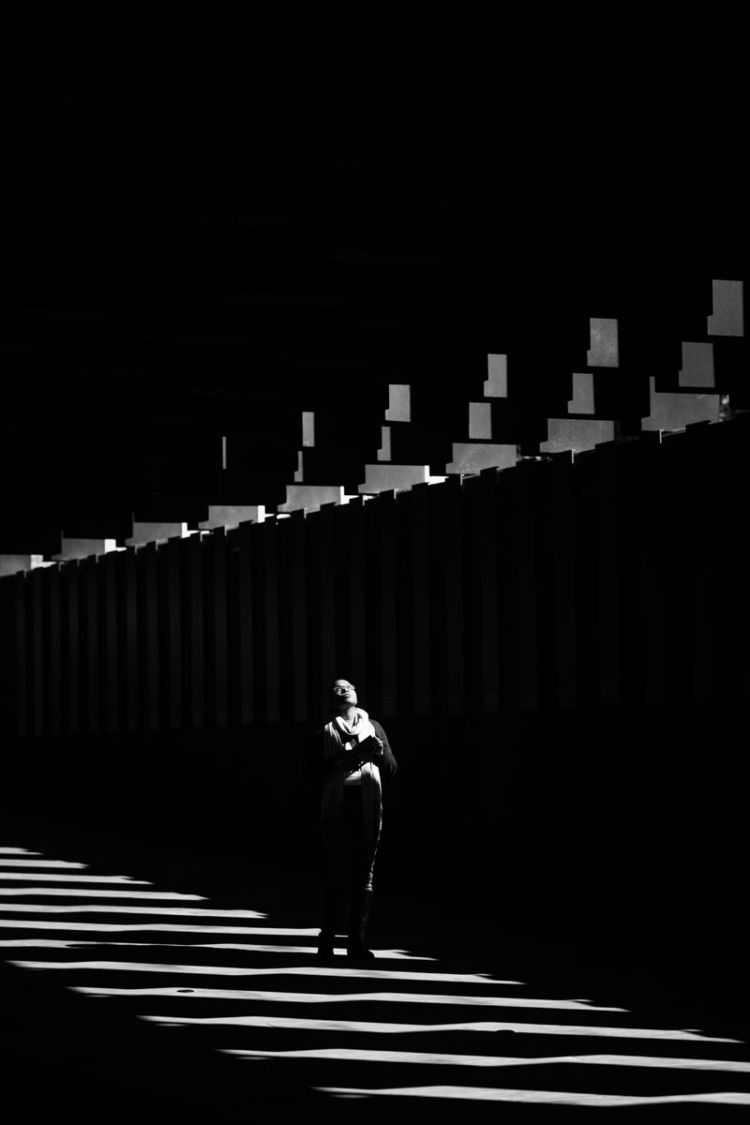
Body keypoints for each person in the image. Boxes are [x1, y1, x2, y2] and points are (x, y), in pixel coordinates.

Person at [314, 678, 398, 961]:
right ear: (331, 699)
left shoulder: (373, 727)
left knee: (364, 874)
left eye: (348, 686)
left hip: (367, 806)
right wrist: (348, 756)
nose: (344, 689)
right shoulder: (324, 731)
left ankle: (356, 942)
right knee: (337, 872)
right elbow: (313, 771)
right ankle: (326, 940)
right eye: (338, 687)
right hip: (338, 808)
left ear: (357, 694)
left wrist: (379, 751)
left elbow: (391, 767)